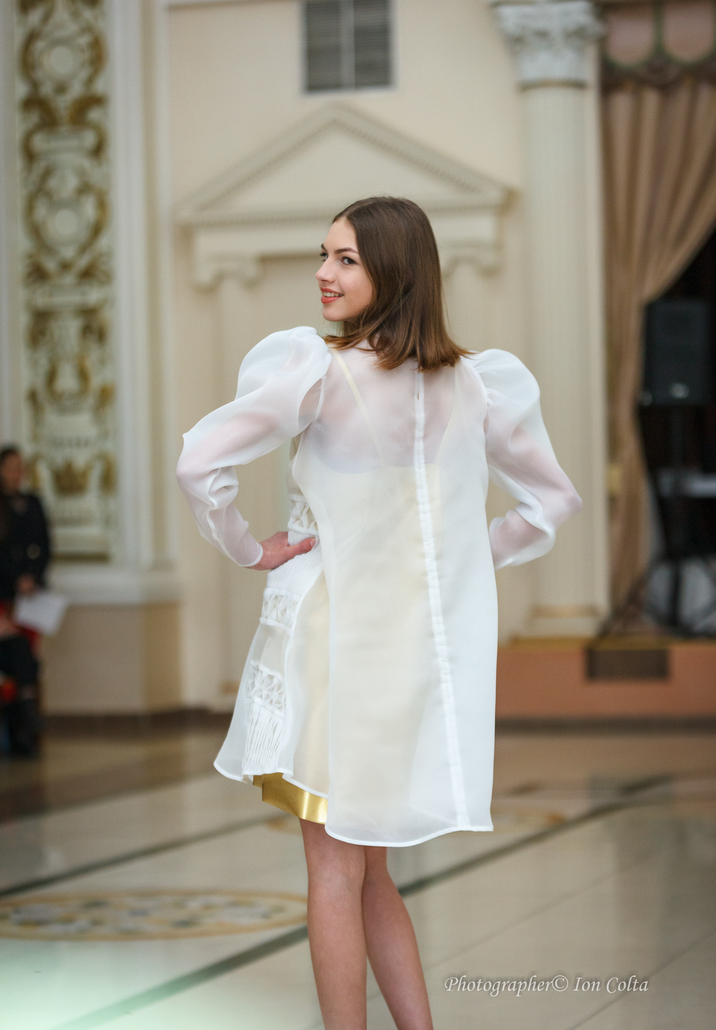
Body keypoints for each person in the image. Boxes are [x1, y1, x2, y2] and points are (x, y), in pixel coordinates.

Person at [177, 196, 581, 1030]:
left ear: (393, 270)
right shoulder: (476, 383)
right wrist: (464, 560)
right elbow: (551, 501)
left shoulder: (320, 372)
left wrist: (248, 548)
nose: (323, 273)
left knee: (334, 871)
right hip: (409, 655)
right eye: (323, 254)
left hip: (333, 647)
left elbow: (198, 463)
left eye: (346, 259)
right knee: (372, 872)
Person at [0, 445, 51, 757]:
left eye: (21, 467)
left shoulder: (32, 503)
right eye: (11, 467)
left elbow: (44, 545)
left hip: (29, 597)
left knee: (26, 655)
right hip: (5, 595)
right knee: (17, 653)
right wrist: (15, 580)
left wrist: (33, 577)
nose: (17, 474)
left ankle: (25, 731)